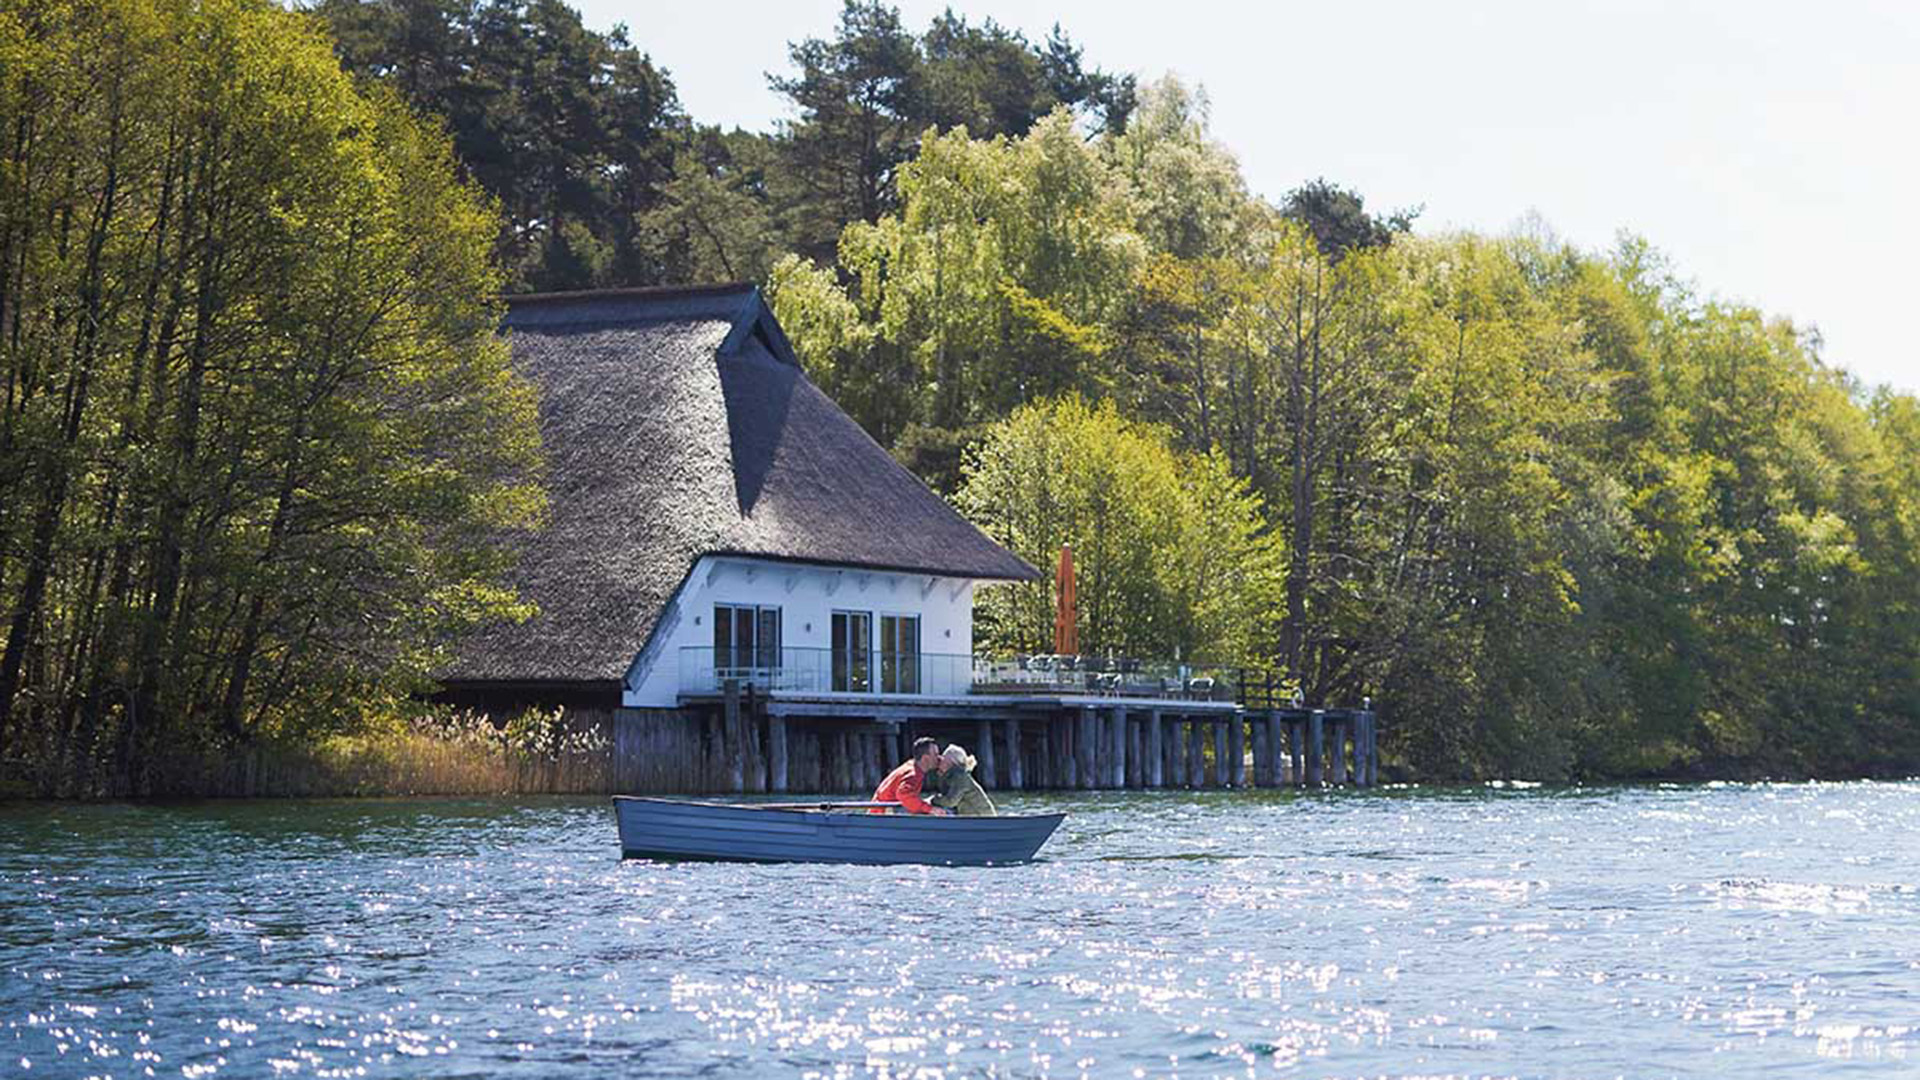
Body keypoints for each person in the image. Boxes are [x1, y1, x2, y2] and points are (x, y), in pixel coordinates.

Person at [871, 737, 951, 815]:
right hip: (883, 814)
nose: (939, 758)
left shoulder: (913, 767)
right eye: (936, 755)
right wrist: (930, 809)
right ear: (925, 758)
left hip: (882, 811)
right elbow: (904, 795)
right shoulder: (913, 774)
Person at [928, 744, 997, 817]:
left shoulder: (961, 777)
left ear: (951, 762)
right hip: (972, 818)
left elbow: (950, 801)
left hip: (982, 818)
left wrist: (933, 799)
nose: (940, 760)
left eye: (944, 758)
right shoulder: (952, 777)